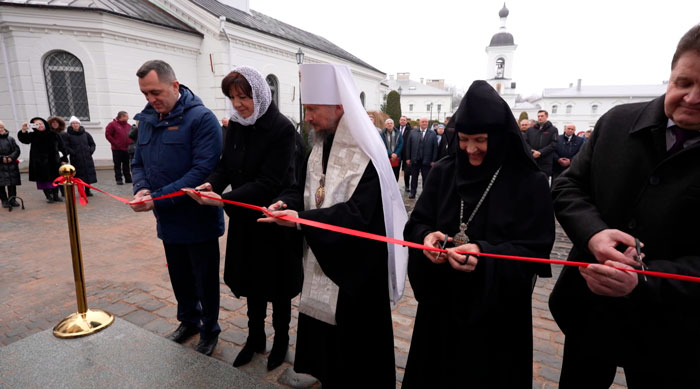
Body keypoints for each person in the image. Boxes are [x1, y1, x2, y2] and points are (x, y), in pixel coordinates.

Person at [549, 24, 700, 388]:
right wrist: (594, 234)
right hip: (590, 310)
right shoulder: (617, 122)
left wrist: (645, 280)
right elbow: (569, 186)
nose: (693, 98)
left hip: (673, 327)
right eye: (684, 83)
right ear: (669, 77)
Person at [260, 63, 408, 387]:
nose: (307, 117)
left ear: (339, 107)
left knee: (355, 361)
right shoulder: (318, 144)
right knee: (326, 350)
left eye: (313, 109)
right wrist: (289, 205)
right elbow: (304, 190)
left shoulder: (368, 152)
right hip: (321, 256)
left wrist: (303, 222)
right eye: (306, 108)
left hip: (357, 271)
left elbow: (360, 215)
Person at [402, 80, 554, 388]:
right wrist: (426, 238)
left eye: (481, 140)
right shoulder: (444, 172)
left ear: (499, 137)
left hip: (497, 321)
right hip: (441, 311)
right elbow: (416, 223)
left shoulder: (530, 182)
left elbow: (535, 252)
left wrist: (484, 256)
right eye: (464, 139)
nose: (471, 149)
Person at [183, 66, 301, 371]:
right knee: (252, 281)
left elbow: (270, 180)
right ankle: (255, 338)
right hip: (244, 221)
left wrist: (223, 200)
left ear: (260, 94)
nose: (237, 104)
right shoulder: (236, 125)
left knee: (278, 286)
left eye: (243, 96)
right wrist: (213, 184)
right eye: (232, 97)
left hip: (273, 219)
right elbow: (225, 165)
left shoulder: (282, 129)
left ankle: (281, 341)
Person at [129, 60, 224, 356]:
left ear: (175, 85)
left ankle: (210, 328)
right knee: (179, 276)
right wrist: (141, 189)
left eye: (155, 92)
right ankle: (189, 321)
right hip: (168, 219)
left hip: (198, 218)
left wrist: (155, 198)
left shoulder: (201, 119)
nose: (151, 99)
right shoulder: (146, 120)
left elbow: (201, 171)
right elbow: (138, 162)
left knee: (204, 279)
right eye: (145, 94)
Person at [17, 117, 67, 203]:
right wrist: (23, 130)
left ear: (44, 123)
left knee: (55, 179)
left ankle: (56, 195)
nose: (39, 125)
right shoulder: (33, 135)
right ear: (34, 126)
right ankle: (48, 196)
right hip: (39, 163)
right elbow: (24, 139)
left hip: (53, 161)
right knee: (43, 181)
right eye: (37, 124)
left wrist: (64, 159)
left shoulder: (53, 134)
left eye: (41, 123)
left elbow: (62, 147)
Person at [63, 116, 97, 196]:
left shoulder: (86, 134)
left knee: (88, 174)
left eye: (77, 123)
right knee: (79, 175)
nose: (75, 125)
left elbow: (92, 144)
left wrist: (90, 151)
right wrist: (73, 152)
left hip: (87, 157)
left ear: (79, 124)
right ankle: (81, 191)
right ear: (71, 125)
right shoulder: (68, 135)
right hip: (76, 158)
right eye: (73, 123)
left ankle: (88, 190)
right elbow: (66, 146)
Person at [405, 117, 438, 199]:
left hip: (427, 160)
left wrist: (433, 160)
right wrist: (408, 158)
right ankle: (413, 193)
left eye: (426, 122)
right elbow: (408, 146)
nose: (424, 123)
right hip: (415, 159)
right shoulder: (413, 132)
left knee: (426, 178)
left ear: (428, 123)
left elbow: (435, 148)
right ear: (419, 123)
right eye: (423, 122)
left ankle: (425, 194)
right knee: (414, 178)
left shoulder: (432, 133)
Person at [524, 110, 558, 181]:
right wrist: (531, 151)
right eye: (538, 116)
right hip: (532, 160)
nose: (540, 118)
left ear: (547, 116)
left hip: (545, 162)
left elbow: (554, 144)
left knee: (543, 184)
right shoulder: (530, 130)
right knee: (531, 183)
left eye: (542, 116)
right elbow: (525, 142)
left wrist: (540, 152)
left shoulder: (553, 130)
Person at [105, 111, 132, 185]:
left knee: (126, 164)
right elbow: (108, 135)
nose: (128, 118)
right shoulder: (112, 125)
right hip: (117, 149)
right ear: (122, 117)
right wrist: (115, 143)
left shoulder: (128, 126)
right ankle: (119, 179)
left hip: (126, 148)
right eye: (126, 116)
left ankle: (128, 178)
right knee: (117, 165)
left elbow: (131, 135)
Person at [0, 120, 21, 208]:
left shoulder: (10, 139)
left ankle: (12, 199)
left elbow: (17, 150)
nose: (0, 129)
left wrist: (11, 157)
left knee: (12, 183)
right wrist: (2, 158)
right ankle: (4, 200)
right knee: (1, 184)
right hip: (0, 165)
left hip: (11, 164)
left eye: (1, 127)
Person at [47, 116, 67, 197]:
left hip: (61, 158)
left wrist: (64, 158)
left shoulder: (63, 134)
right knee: (53, 177)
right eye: (53, 122)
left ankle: (63, 192)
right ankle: (53, 193)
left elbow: (64, 147)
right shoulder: (47, 134)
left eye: (56, 122)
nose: (55, 124)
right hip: (51, 159)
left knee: (62, 176)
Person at [397, 115, 412, 192]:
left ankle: (407, 186)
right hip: (397, 153)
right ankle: (394, 185)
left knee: (407, 171)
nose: (402, 121)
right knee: (396, 170)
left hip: (406, 153)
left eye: (404, 120)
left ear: (406, 121)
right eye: (401, 120)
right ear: (399, 121)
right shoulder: (395, 129)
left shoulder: (410, 130)